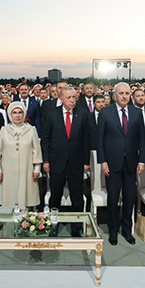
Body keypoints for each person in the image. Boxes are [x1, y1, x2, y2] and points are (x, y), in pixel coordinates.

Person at [96, 82, 145, 246]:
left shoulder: (137, 113)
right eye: (121, 93)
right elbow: (100, 140)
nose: (125, 96)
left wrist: (142, 160)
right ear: (114, 95)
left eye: (127, 93)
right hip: (112, 162)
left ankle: (127, 229)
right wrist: (102, 160)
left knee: (130, 197)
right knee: (112, 198)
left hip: (131, 162)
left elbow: (142, 139)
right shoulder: (105, 113)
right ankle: (112, 230)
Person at [41, 87, 90, 237]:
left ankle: (76, 228)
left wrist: (86, 162)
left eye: (74, 97)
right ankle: (53, 225)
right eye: (68, 97)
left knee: (77, 196)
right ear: (61, 99)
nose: (72, 100)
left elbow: (86, 140)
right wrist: (46, 160)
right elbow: (46, 139)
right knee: (55, 196)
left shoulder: (82, 114)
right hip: (57, 161)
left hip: (76, 162)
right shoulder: (53, 114)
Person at [0, 101, 42, 208]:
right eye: (14, 112)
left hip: (27, 170)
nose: (17, 115)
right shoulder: (4, 130)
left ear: (24, 114)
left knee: (26, 198)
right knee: (8, 198)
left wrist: (36, 170)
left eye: (20, 112)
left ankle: (25, 222)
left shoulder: (31, 130)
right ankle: (8, 223)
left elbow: (37, 151)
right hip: (7, 171)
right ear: (10, 114)